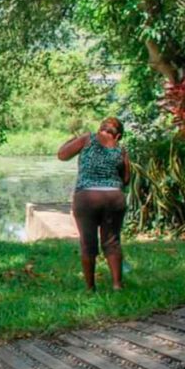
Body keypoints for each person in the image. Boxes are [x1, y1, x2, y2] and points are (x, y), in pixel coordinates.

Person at [57, 117, 131, 291]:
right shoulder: (121, 150)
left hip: (87, 196)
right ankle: (117, 285)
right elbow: (126, 179)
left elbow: (62, 155)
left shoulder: (87, 139)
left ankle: (90, 288)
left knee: (88, 243)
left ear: (100, 129)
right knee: (112, 242)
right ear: (118, 135)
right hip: (114, 198)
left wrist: (71, 140)